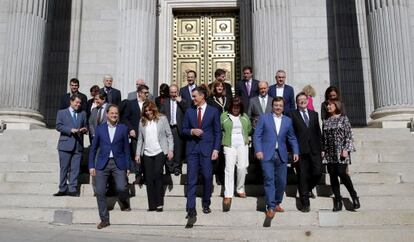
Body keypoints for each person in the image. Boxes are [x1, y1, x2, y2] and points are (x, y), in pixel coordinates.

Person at [253, 97, 299, 220]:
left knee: (282, 181)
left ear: (283, 107)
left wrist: (295, 151)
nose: (278, 107)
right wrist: (258, 150)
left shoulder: (288, 121)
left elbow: (292, 137)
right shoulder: (264, 118)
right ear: (272, 106)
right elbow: (257, 136)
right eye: (276, 105)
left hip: (282, 155)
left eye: (280, 106)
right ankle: (271, 207)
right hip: (267, 153)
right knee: (269, 179)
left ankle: (277, 202)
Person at [182, 86, 222, 228]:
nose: (193, 99)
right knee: (191, 179)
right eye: (192, 96)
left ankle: (206, 203)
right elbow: (183, 130)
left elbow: (218, 132)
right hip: (192, 150)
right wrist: (192, 131)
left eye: (195, 96)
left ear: (202, 96)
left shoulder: (213, 111)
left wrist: (216, 149)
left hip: (207, 150)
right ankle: (191, 209)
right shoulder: (189, 111)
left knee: (206, 177)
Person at [88, 104, 131, 229]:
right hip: (102, 163)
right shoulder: (100, 129)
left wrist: (128, 166)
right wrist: (91, 166)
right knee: (100, 191)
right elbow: (93, 148)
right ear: (107, 114)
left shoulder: (123, 128)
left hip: (119, 163)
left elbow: (126, 149)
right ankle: (104, 219)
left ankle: (123, 201)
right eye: (112, 113)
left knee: (122, 187)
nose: (114, 115)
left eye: (116, 113)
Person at [135, 101, 174, 212]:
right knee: (149, 178)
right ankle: (152, 205)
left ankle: (159, 203)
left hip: (160, 151)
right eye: (146, 111)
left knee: (157, 174)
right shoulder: (142, 121)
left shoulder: (162, 119)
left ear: (154, 109)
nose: (148, 112)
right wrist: (138, 153)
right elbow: (140, 139)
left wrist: (170, 150)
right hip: (147, 153)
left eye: (149, 110)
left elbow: (169, 135)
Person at [322, 100, 359, 212]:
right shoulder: (326, 120)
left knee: (342, 173)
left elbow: (349, 135)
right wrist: (323, 150)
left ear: (336, 106)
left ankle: (353, 195)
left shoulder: (343, 118)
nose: (328, 107)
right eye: (327, 105)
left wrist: (346, 149)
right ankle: (338, 200)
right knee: (332, 175)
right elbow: (324, 137)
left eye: (330, 105)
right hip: (330, 152)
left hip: (341, 151)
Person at [288, 92, 322, 212]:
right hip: (300, 150)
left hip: (314, 149)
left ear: (307, 101)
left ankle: (308, 188)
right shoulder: (292, 114)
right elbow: (290, 133)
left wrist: (322, 149)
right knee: (302, 175)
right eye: (299, 100)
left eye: (304, 99)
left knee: (318, 173)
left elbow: (318, 132)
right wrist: (291, 150)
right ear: (296, 102)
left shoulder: (314, 114)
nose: (302, 101)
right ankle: (305, 202)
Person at [220, 97, 252, 212]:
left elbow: (248, 129)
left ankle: (240, 189)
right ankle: (228, 195)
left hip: (242, 143)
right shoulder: (224, 116)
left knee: (242, 167)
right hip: (229, 143)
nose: (235, 109)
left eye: (238, 107)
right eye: (234, 107)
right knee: (229, 168)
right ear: (230, 107)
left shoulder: (244, 116)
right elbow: (221, 128)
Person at [54, 94, 88, 197]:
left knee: (75, 168)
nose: (78, 104)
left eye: (80, 103)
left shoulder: (83, 114)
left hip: (78, 145)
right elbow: (58, 126)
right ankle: (62, 188)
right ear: (71, 102)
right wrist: (70, 130)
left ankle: (73, 189)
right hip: (65, 144)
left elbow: (85, 125)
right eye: (76, 102)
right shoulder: (62, 113)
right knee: (64, 168)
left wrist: (85, 129)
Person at [121, 84, 150, 184]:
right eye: (145, 93)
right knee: (137, 156)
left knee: (146, 156)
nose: (147, 94)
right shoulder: (131, 104)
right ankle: (138, 176)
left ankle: (146, 176)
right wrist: (130, 129)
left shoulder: (150, 104)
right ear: (139, 93)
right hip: (135, 134)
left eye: (147, 93)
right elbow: (125, 118)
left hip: (148, 135)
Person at [159, 84, 189, 175]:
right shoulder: (165, 102)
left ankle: (177, 167)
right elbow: (161, 114)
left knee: (178, 149)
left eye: (175, 92)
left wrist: (181, 102)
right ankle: (169, 168)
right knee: (168, 149)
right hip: (168, 128)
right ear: (169, 92)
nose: (173, 94)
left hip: (177, 128)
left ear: (178, 92)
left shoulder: (183, 101)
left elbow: (188, 111)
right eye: (171, 92)